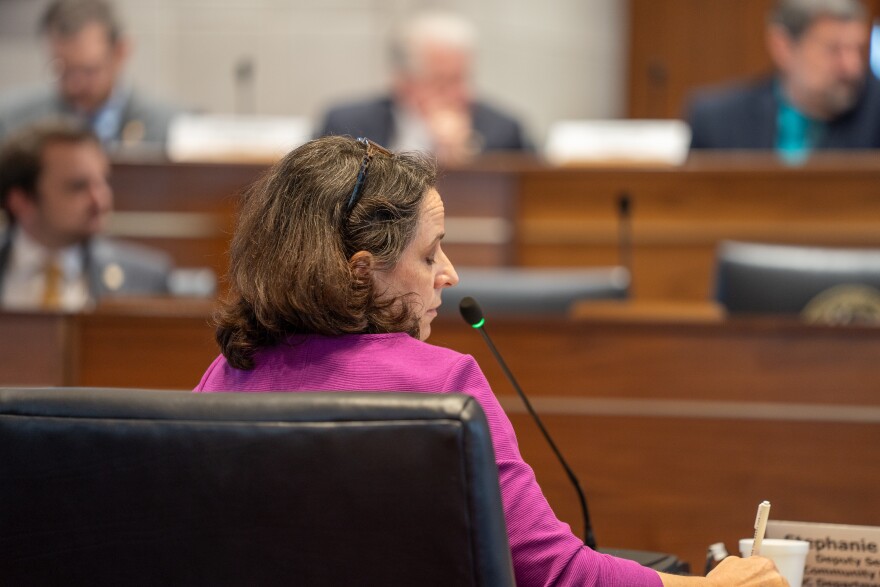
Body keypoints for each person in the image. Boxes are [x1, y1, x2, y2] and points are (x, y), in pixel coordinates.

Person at [195, 135, 787, 587]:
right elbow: (555, 574)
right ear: (362, 272)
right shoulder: (441, 385)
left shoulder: (224, 376)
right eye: (431, 255)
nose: (450, 274)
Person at [316, 12, 531, 165]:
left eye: (462, 79)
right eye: (442, 81)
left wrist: (465, 155)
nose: (460, 93)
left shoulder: (503, 131)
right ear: (402, 80)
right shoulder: (346, 126)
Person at [0, 121, 171, 310]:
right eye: (78, 187)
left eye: (102, 182)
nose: (100, 200)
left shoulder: (144, 279)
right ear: (21, 201)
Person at [686, 0, 880, 158]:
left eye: (858, 49)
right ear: (783, 47)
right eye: (833, 50)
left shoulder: (875, 113)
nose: (852, 67)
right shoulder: (718, 120)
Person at [0, 0, 183, 150]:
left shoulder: (168, 127)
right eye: (62, 70)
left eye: (88, 71)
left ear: (120, 52)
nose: (75, 85)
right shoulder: (13, 123)